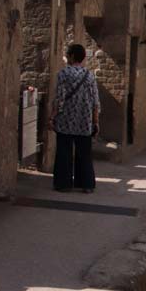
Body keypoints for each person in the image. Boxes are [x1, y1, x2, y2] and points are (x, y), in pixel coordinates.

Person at [49, 43, 100, 193]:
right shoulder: (89, 76)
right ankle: (86, 184)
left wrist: (52, 117)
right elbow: (95, 101)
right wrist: (96, 121)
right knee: (84, 153)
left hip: (65, 120)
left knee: (64, 152)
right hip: (84, 121)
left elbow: (59, 99)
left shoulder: (63, 74)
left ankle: (63, 184)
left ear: (71, 56)